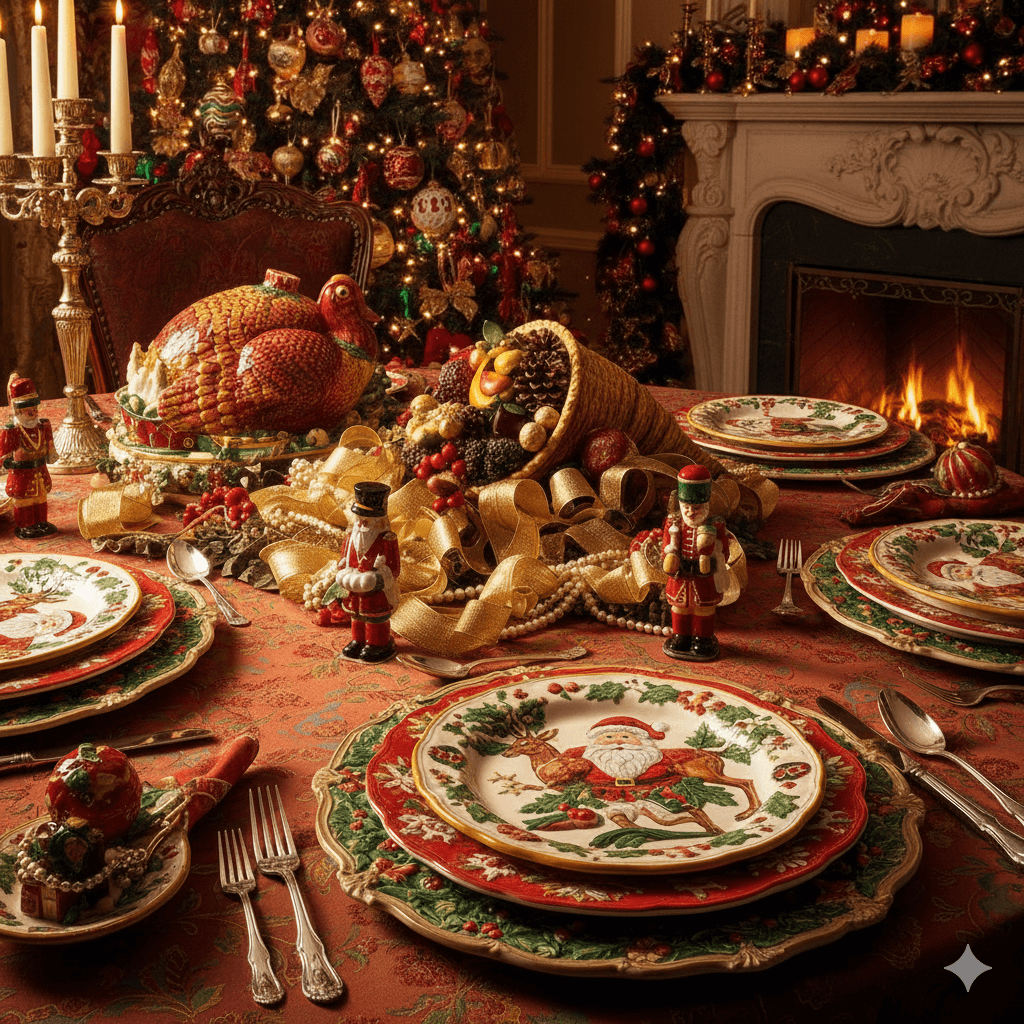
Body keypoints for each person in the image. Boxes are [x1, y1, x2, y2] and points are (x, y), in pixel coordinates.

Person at [660, 463, 727, 661]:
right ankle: (681, 637)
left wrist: (713, 552)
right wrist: (670, 557)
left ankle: (703, 639)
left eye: (696, 508)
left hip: (703, 580)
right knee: (679, 608)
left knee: (704, 609)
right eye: (686, 507)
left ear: (706, 505)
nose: (690, 512)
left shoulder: (715, 525)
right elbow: (666, 549)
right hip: (680, 578)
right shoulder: (673, 523)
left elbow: (725, 550)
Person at [335, 481, 401, 663]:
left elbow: (394, 569)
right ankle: (358, 641)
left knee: (375, 618)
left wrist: (377, 578)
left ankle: (378, 644)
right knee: (356, 615)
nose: (362, 522)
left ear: (379, 520)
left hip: (375, 593)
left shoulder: (387, 540)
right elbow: (342, 560)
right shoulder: (349, 538)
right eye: (359, 517)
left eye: (367, 518)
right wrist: (342, 571)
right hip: (353, 588)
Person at [1, 373, 58, 540]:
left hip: (40, 471)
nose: (33, 413)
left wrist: (51, 454)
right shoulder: (12, 430)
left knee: (40, 499)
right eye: (27, 410)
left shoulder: (43, 426)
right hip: (21, 476)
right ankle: (26, 526)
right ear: (18, 411)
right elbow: (4, 453)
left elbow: (49, 447)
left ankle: (41, 523)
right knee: (25, 502)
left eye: (34, 408)